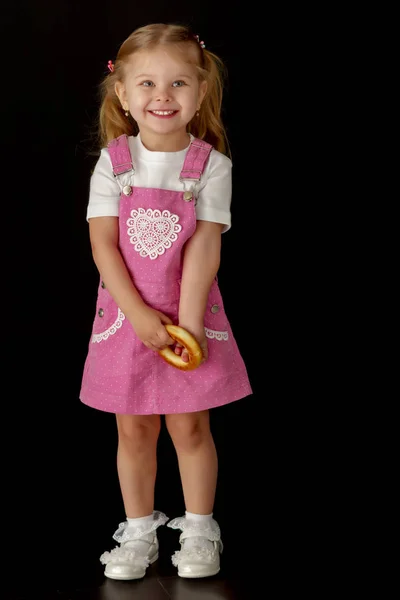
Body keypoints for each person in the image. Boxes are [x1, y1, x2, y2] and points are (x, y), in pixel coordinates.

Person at [79, 22, 252, 581]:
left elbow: (204, 249)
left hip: (189, 318)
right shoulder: (114, 162)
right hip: (126, 315)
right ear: (123, 95)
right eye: (148, 84)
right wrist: (138, 315)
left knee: (191, 427)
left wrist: (190, 323)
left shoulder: (211, 166)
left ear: (200, 92)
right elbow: (103, 245)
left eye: (179, 83)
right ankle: (137, 530)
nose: (163, 96)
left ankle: (200, 528)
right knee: (133, 429)